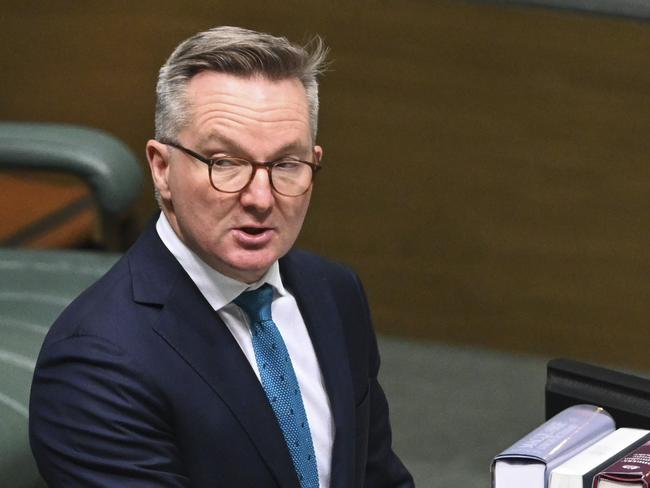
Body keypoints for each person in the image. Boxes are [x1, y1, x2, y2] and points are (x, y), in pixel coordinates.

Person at [29, 26, 414, 488]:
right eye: (224, 162)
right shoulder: (95, 365)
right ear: (162, 168)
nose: (260, 198)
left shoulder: (334, 291)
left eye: (286, 164)